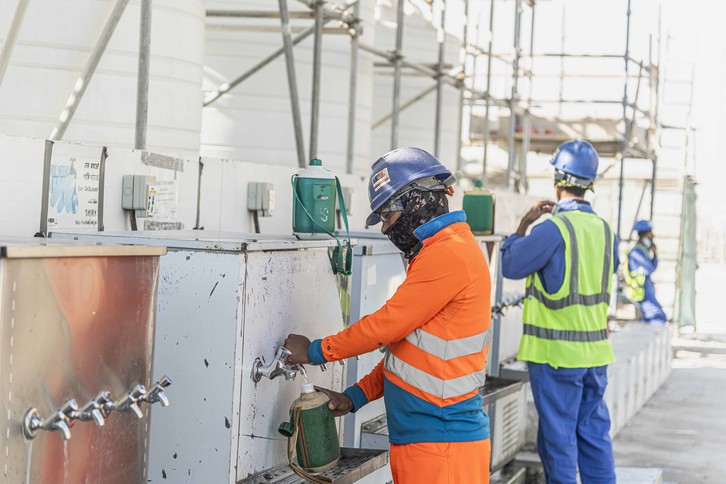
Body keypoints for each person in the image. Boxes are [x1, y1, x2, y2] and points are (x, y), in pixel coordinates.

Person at [284, 147, 492, 484]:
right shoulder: (442, 250)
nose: (384, 229)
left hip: (442, 446)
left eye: (386, 216)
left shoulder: (448, 254)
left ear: (414, 203)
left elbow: (386, 325)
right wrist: (355, 397)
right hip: (427, 442)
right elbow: (409, 354)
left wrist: (315, 351)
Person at [500, 139, 618, 484]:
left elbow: (510, 263)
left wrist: (523, 224)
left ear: (558, 179)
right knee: (594, 434)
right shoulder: (606, 231)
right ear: (589, 183)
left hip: (556, 357)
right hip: (595, 355)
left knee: (558, 439)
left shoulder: (553, 229)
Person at [624, 220, 667, 325]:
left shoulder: (643, 250)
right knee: (658, 318)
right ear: (645, 235)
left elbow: (652, 267)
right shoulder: (637, 252)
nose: (652, 236)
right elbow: (650, 268)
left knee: (653, 319)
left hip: (646, 289)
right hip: (642, 291)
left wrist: (655, 254)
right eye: (650, 233)